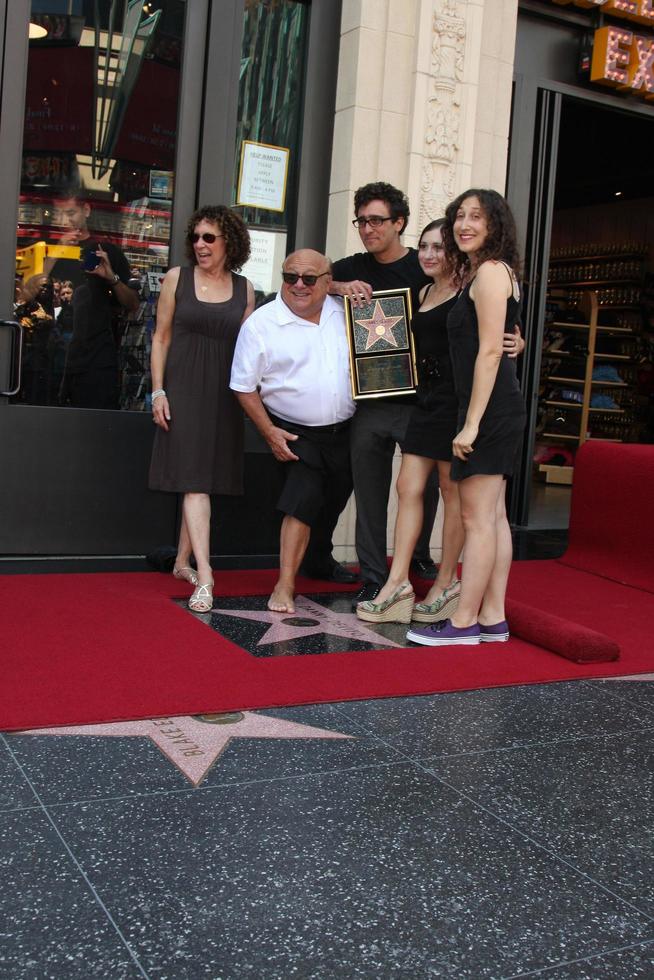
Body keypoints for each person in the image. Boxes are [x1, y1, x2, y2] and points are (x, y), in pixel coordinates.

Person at [356, 218, 523, 625]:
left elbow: (497, 335)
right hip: (426, 401)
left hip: (459, 401)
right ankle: (398, 583)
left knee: (453, 495)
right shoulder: (423, 291)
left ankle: (446, 582)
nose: (429, 255)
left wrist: (518, 341)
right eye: (424, 247)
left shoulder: (472, 288)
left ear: (455, 252)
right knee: (408, 485)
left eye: (438, 247)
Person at [406, 189, 527, 647]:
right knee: (492, 518)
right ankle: (492, 617)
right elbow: (497, 340)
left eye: (476, 216)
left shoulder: (492, 273)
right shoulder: (489, 273)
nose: (464, 224)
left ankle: (464, 623)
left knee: (478, 520)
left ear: (495, 224)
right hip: (494, 407)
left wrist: (472, 421)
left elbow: (492, 349)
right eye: (459, 215)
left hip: (489, 410)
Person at [230, 249, 355, 615]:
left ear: (328, 282)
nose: (298, 285)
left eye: (309, 279)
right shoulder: (261, 324)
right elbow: (242, 386)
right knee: (302, 502)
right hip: (297, 432)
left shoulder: (345, 311)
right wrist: (269, 431)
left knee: (333, 500)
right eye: (290, 277)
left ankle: (318, 559)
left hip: (346, 429)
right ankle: (285, 585)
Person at [149, 205, 254, 612]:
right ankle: (206, 576)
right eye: (196, 237)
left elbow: (248, 349)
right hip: (184, 390)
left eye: (209, 237)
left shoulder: (245, 289)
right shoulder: (178, 278)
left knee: (203, 479)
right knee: (195, 481)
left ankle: (180, 561)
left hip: (225, 395)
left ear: (229, 240)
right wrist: (158, 392)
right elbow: (160, 337)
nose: (200, 244)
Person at [53, 188, 139, 409]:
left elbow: (132, 303)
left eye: (70, 213)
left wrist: (112, 279)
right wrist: (57, 251)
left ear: (87, 210)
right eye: (59, 215)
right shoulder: (53, 251)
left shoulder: (105, 250)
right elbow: (29, 291)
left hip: (95, 361)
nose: (65, 221)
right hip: (54, 357)